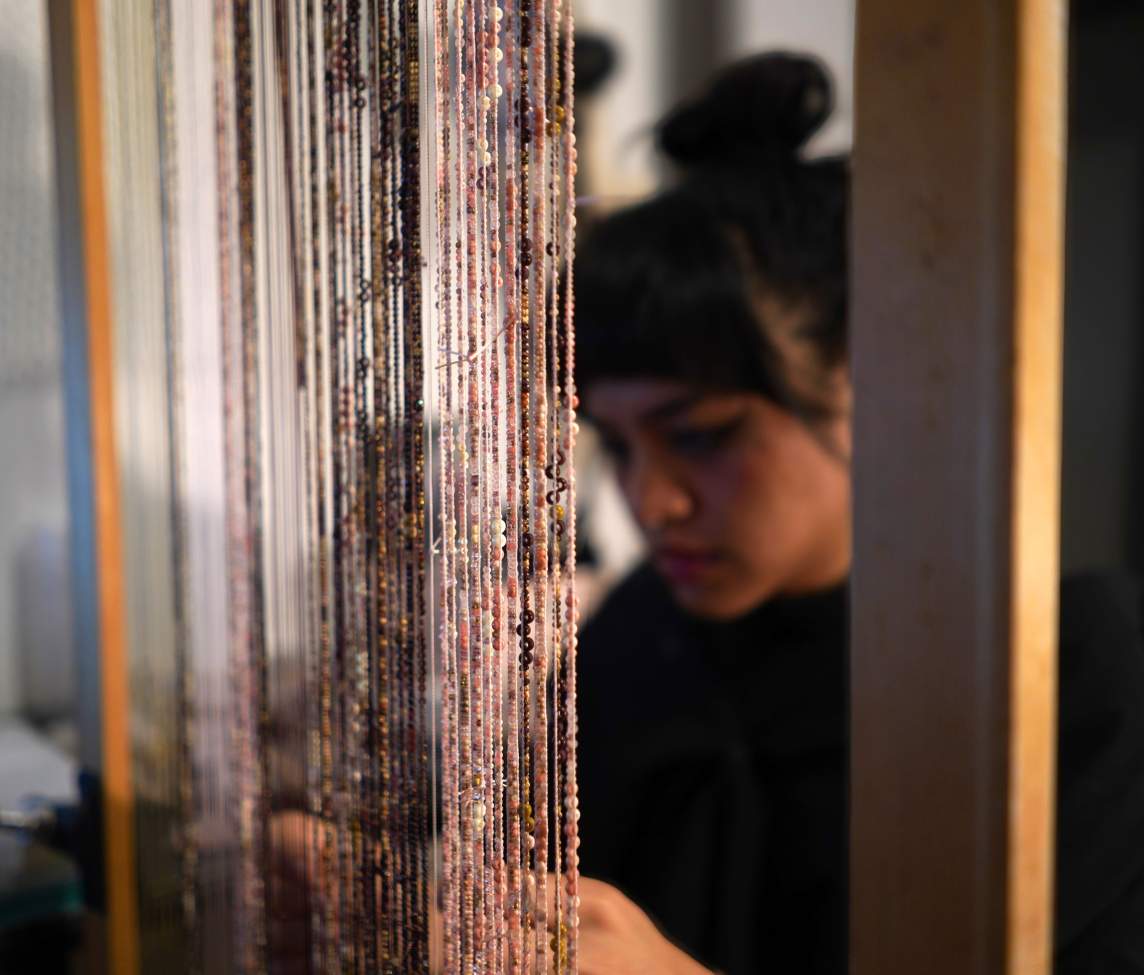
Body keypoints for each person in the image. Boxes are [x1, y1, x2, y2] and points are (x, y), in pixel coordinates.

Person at [571, 53, 1144, 974]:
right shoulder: (638, 643)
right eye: (622, 445)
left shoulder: (1063, 679)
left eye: (706, 436)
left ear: (869, 380)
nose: (651, 501)